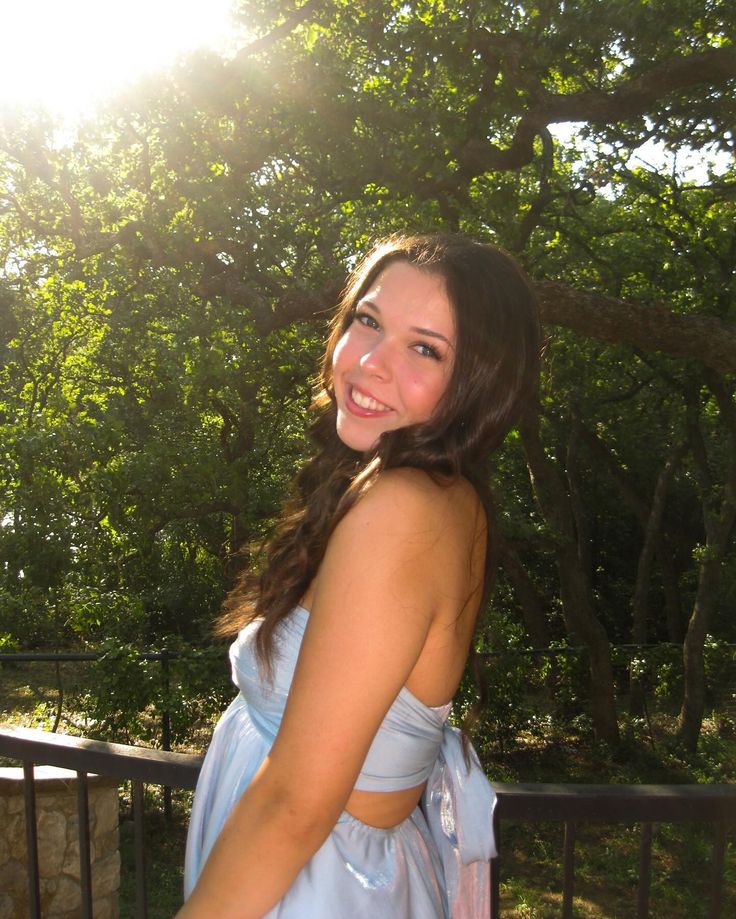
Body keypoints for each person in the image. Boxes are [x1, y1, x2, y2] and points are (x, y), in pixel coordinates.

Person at [178, 233, 540, 918]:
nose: (370, 362)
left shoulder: (403, 509)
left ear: (480, 382)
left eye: (424, 348)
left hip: (311, 884)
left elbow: (293, 804)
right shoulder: (429, 492)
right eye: (367, 321)